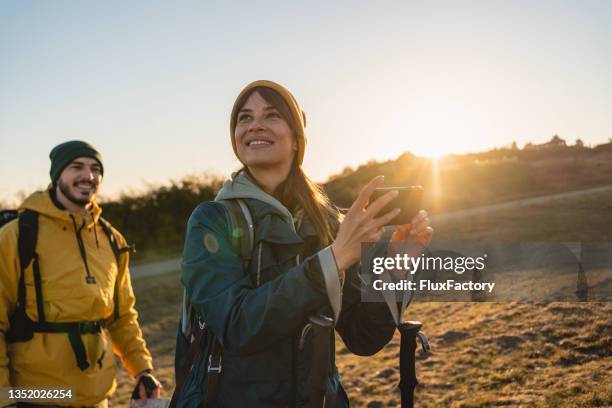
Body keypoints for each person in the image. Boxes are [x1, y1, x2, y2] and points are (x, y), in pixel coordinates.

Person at [176, 80, 433, 407]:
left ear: (297, 138)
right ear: (235, 137)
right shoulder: (211, 220)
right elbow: (237, 325)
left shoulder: (325, 222)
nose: (255, 124)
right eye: (244, 117)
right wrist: (331, 261)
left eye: (271, 115)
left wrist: (396, 266)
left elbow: (363, 337)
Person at [0, 141, 161, 407]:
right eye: (77, 167)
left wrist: (143, 370)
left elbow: (122, 317)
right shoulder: (16, 236)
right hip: (34, 397)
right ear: (57, 175)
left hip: (97, 397)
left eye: (96, 169)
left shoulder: (111, 239)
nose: (89, 176)